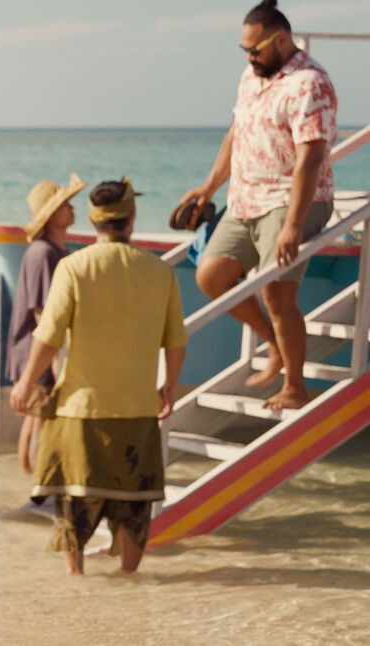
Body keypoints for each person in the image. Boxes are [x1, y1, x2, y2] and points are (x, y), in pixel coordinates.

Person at [10, 179, 187, 576]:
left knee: (73, 514)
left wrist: (23, 384)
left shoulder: (73, 267)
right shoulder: (160, 272)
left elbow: (49, 337)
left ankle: (79, 596)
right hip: (137, 413)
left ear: (92, 220)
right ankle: (128, 588)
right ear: (132, 219)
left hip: (80, 414)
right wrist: (169, 387)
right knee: (134, 512)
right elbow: (175, 341)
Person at [180, 0, 337, 411]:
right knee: (211, 277)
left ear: (282, 39)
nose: (250, 57)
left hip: (292, 200)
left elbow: (311, 158)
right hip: (245, 198)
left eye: (256, 49)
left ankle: (295, 386)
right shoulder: (252, 76)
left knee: (277, 292)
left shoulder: (310, 83)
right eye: (244, 50)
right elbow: (238, 131)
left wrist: (293, 225)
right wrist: (209, 187)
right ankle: (273, 342)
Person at [5, 173, 83, 474]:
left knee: (34, 419)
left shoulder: (55, 251)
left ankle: (35, 487)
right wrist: (53, 359)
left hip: (37, 350)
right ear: (51, 215)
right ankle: (39, 485)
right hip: (36, 350)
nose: (72, 208)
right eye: (65, 204)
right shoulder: (44, 253)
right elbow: (43, 312)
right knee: (39, 420)